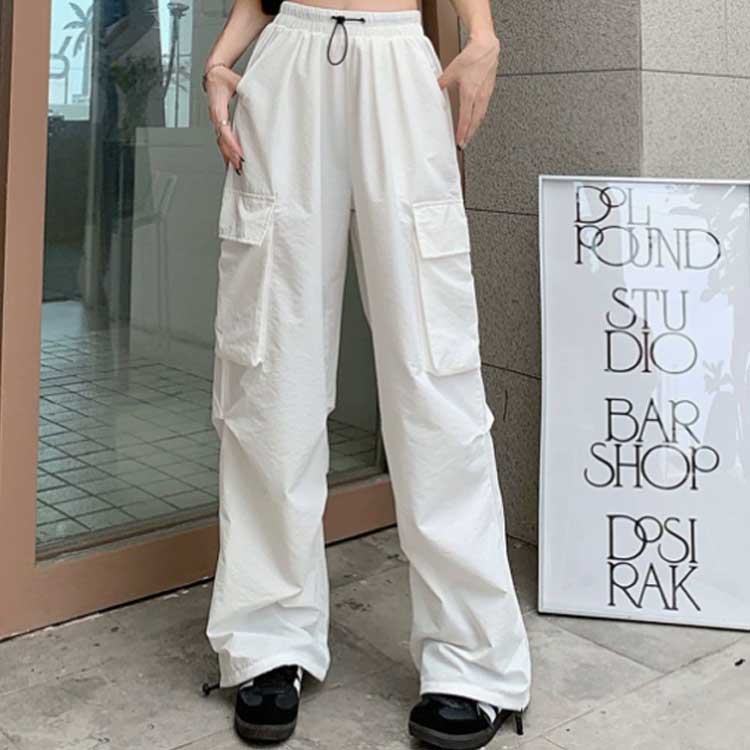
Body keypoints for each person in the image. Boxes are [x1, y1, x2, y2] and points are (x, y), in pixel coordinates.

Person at [201, 0, 531, 747]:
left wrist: (482, 35)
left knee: (433, 369)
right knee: (270, 368)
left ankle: (473, 657)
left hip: (397, 62)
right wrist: (220, 60)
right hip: (288, 60)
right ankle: (267, 636)